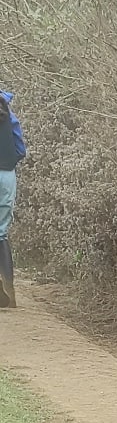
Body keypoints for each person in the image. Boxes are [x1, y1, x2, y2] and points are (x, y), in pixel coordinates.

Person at [0, 87, 26, 309]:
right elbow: (20, 148)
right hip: (6, 175)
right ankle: (7, 288)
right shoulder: (7, 111)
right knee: (1, 231)